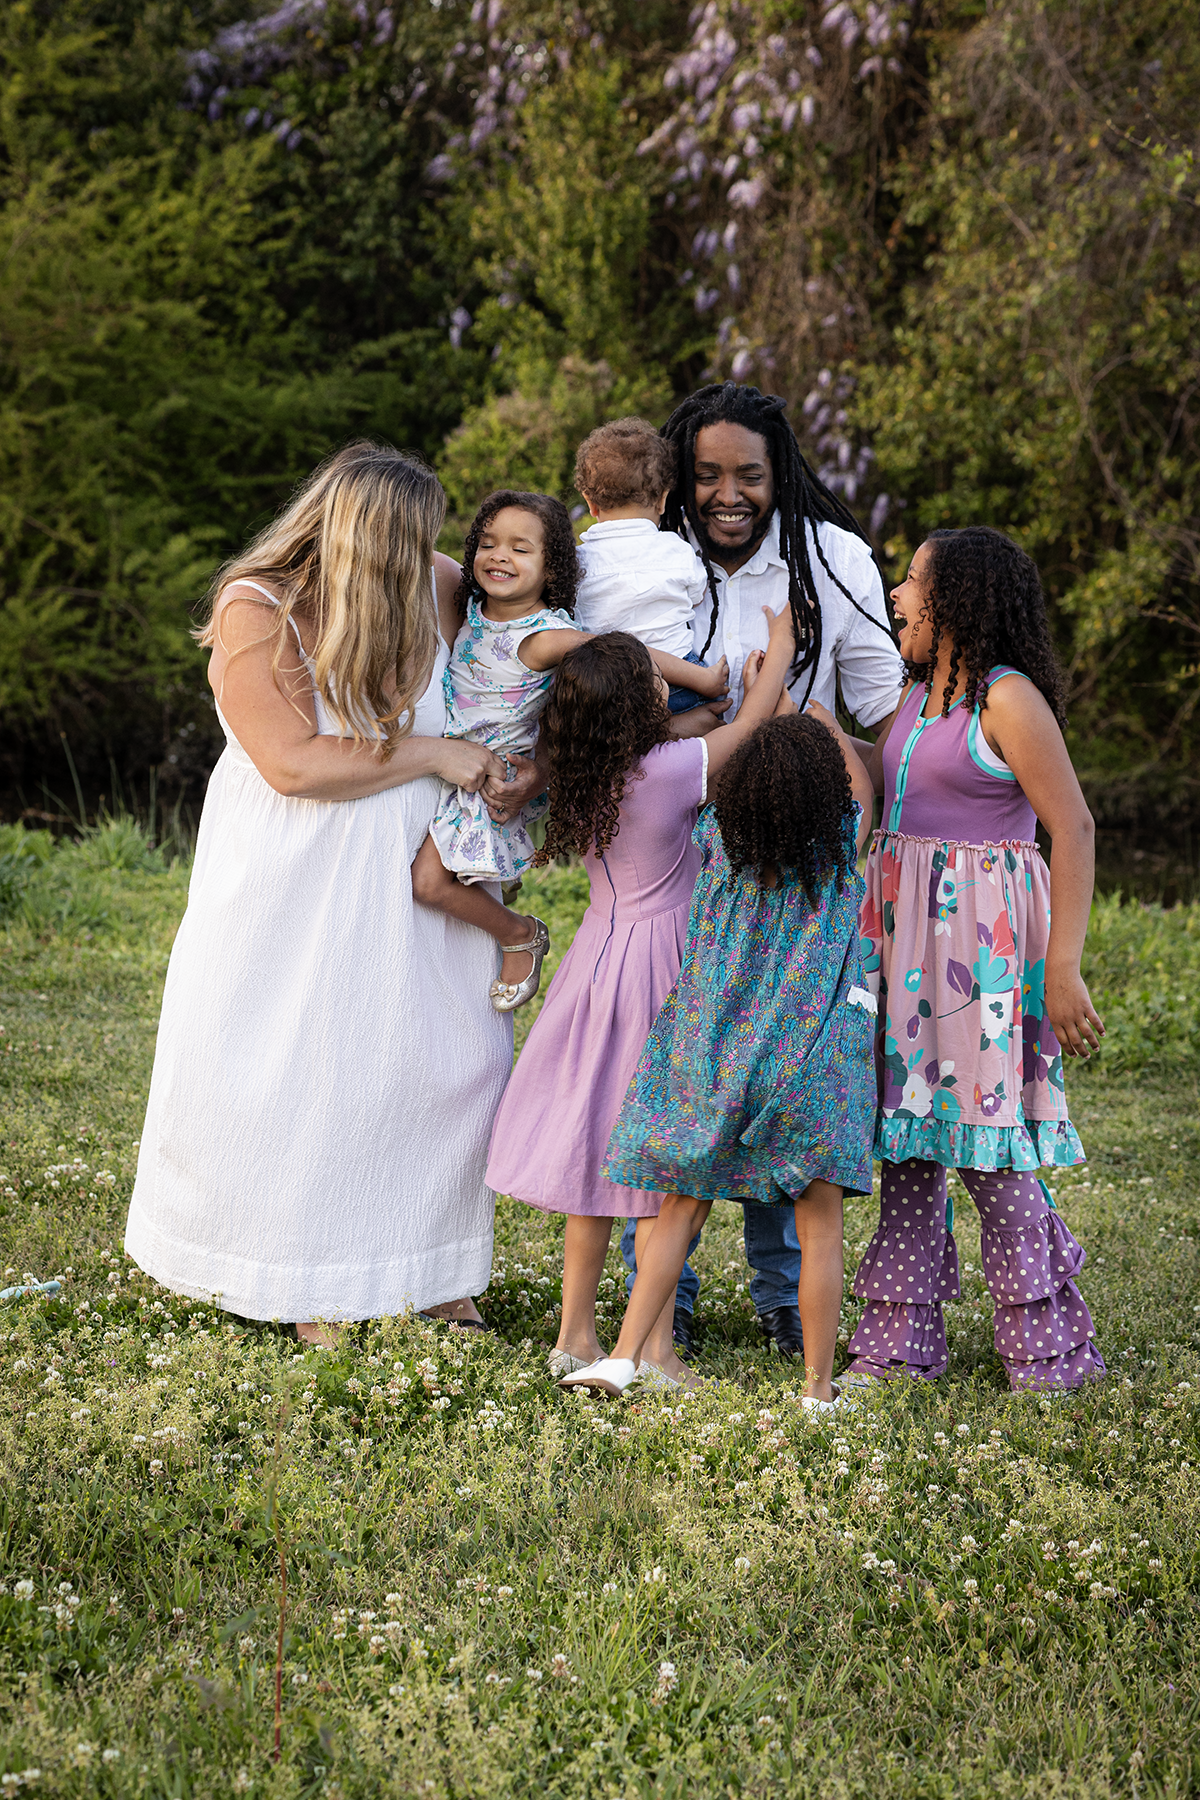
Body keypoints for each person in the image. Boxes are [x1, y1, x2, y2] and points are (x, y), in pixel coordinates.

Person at [124, 443, 518, 1341]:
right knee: (311, 1069)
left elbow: (523, 654)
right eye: (405, 542)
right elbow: (294, 763)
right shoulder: (257, 606)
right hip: (297, 882)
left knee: (443, 1066)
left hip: (420, 877)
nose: (426, 560)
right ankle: (308, 1278)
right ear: (355, 537)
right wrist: (436, 752)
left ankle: (433, 1270)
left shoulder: (440, 583)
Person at [619, 380, 902, 1362]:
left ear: (781, 472)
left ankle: (785, 1299)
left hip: (804, 854)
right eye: (706, 475)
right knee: (688, 1065)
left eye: (748, 474)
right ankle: (668, 1303)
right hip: (678, 841)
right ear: (679, 478)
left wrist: (886, 827)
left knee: (786, 1058)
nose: (727, 495)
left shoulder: (834, 559)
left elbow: (881, 711)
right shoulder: (651, 558)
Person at [485, 609, 796, 1387]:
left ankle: (575, 1334)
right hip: (663, 969)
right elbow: (751, 725)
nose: (666, 684)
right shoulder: (668, 771)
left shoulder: (584, 773)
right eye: (655, 680)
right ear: (637, 705)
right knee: (662, 1165)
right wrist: (778, 653)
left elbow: (690, 730)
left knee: (597, 1159)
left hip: (597, 961)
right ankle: (654, 1348)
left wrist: (702, 711)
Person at [844, 526, 1107, 1391]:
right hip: (904, 945)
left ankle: (1052, 1353)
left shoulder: (1007, 698)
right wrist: (816, 728)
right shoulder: (919, 696)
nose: (897, 595)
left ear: (957, 598)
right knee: (910, 1144)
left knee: (986, 1147)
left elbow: (1073, 827)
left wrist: (1062, 968)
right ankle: (898, 1347)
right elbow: (896, 787)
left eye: (912, 580)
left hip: (976, 955)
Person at [565, 704, 877, 1404]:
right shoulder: (837, 847)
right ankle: (818, 1391)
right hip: (810, 1064)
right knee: (820, 1229)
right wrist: (825, 724)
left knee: (680, 1208)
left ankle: (623, 1357)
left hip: (717, 1056)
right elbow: (863, 785)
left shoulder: (715, 839)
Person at [411, 489, 730, 1011]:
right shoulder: (471, 609)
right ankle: (503, 881)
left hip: (494, 779)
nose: (499, 556)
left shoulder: (545, 637)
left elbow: (626, 653)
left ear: (552, 566)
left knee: (428, 883)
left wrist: (700, 678)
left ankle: (521, 936)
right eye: (488, 543)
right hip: (457, 766)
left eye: (520, 549)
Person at [572, 417, 726, 716]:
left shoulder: (579, 562)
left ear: (590, 503)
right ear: (662, 500)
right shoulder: (676, 550)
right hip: (680, 681)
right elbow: (697, 593)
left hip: (608, 690)